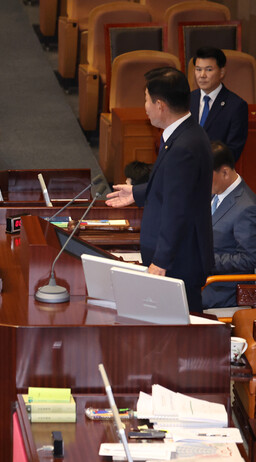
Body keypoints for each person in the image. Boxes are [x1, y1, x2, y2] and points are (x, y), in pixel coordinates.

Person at [106, 66, 213, 312]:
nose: (145, 106)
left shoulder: (184, 146)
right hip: (178, 256)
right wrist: (135, 194)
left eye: (146, 100)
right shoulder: (183, 135)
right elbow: (172, 187)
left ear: (160, 105)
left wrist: (161, 261)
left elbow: (178, 210)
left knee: (178, 334)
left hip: (179, 260)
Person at [202, 141, 256, 309]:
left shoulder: (247, 207)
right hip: (203, 277)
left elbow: (249, 260)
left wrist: (206, 259)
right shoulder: (215, 192)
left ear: (224, 172)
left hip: (223, 287)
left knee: (174, 300)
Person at [190, 47, 249, 162]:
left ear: (222, 72)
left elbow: (233, 150)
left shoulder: (236, 106)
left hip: (215, 173)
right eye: (198, 69)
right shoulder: (186, 100)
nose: (202, 75)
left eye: (208, 70)